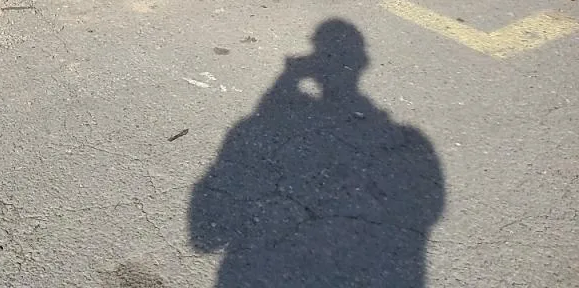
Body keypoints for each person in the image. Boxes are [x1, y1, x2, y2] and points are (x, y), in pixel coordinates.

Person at [189, 20, 445, 287]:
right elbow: (430, 210)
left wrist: (286, 80)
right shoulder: (413, 142)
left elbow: (204, 237)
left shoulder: (250, 127)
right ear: (363, 61)